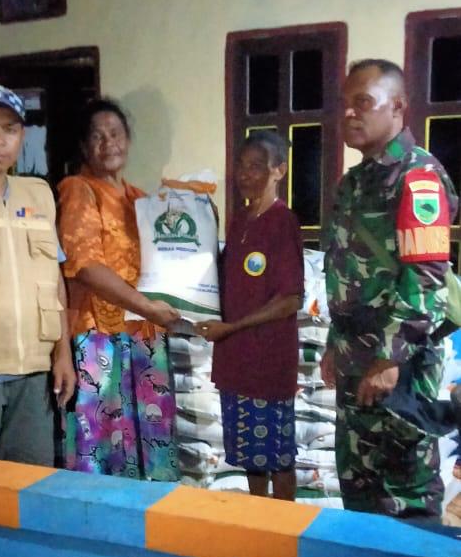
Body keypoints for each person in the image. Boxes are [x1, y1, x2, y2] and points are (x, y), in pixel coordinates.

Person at [322, 59, 459, 520]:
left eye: (363, 102)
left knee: (406, 487)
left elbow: (427, 276)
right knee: (359, 481)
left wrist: (389, 359)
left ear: (397, 107)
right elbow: (345, 272)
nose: (349, 113)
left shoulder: (418, 177)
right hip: (353, 355)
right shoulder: (354, 183)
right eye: (345, 104)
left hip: (399, 363)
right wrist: (333, 343)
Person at [57, 97, 180, 480]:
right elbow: (85, 266)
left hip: (144, 336)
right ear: (84, 147)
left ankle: (152, 515)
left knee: (152, 441)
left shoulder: (140, 199)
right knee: (101, 444)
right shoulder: (79, 189)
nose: (108, 142)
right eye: (97, 136)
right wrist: (147, 307)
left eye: (115, 133)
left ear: (128, 139)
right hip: (98, 339)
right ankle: (97, 516)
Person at [196, 131, 304, 501]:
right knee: (251, 458)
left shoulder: (283, 222)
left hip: (267, 362)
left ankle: (285, 527)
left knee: (279, 457)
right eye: (241, 166)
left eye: (256, 166)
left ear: (279, 171)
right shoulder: (240, 220)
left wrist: (233, 327)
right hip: (235, 360)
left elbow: (290, 299)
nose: (244, 174)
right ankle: (259, 520)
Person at [0, 85, 75, 466]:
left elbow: (53, 278)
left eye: (9, 129)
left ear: (22, 136)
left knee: (28, 487)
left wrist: (63, 353)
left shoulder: (38, 194)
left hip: (33, 375)